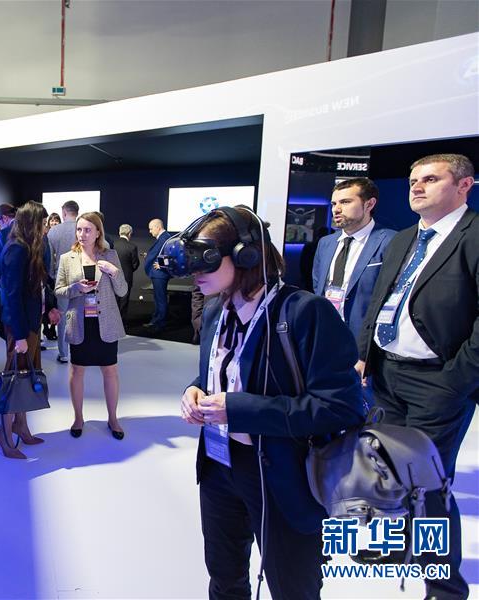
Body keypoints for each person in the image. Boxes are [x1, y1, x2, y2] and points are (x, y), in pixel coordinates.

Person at [179, 206, 364, 600]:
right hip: (218, 465)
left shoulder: (304, 312)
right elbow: (222, 373)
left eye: (205, 259)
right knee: (224, 578)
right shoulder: (214, 310)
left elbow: (342, 406)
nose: (194, 271)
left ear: (245, 255)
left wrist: (239, 409)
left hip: (283, 474)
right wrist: (195, 390)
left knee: (292, 586)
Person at [357, 153, 478, 600]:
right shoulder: (405, 237)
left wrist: (454, 381)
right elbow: (380, 300)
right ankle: (395, 547)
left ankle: (444, 587)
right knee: (388, 473)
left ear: (464, 186)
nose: (417, 187)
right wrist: (365, 355)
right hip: (387, 375)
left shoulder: (474, 236)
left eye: (430, 179)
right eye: (413, 180)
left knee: (428, 485)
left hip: (437, 381)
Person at [55, 212, 128, 439]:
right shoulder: (67, 258)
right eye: (79, 229)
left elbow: (122, 290)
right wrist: (76, 288)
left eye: (87, 230)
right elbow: (58, 290)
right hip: (79, 323)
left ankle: (113, 418)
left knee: (110, 370)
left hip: (106, 323)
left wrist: (114, 272)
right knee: (77, 370)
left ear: (98, 232)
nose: (82, 234)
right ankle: (78, 417)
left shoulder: (110, 255)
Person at [0, 201, 61, 459]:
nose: (46, 228)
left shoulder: (31, 247)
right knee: (13, 379)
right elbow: (12, 296)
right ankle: (4, 433)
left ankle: (21, 426)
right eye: (43, 223)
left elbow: (39, 287)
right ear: (31, 223)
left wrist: (49, 309)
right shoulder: (16, 249)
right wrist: (21, 336)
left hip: (31, 324)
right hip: (20, 327)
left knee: (23, 377)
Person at [313, 178, 394, 342]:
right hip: (326, 331)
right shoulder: (325, 243)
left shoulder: (390, 241)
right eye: (334, 204)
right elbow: (318, 285)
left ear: (369, 204)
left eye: (345, 202)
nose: (336, 209)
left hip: (365, 337)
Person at [47, 200, 80, 363]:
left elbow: (49, 258)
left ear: (64, 212)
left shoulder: (54, 231)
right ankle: (79, 351)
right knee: (79, 316)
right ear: (77, 212)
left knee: (62, 316)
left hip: (61, 279)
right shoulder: (83, 229)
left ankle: (64, 353)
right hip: (81, 278)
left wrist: (52, 276)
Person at [144, 218, 172, 332]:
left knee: (160, 299)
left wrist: (162, 265)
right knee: (158, 298)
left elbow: (171, 254)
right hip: (158, 274)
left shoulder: (165, 238)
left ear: (158, 227)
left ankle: (160, 323)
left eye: (151, 229)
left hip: (160, 274)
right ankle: (156, 320)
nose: (150, 231)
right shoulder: (164, 237)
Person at [113, 224, 140, 319]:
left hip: (113, 277)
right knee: (124, 301)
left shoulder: (112, 245)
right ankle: (122, 323)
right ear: (129, 233)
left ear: (119, 232)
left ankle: (113, 321)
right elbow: (135, 264)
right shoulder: (132, 247)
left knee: (114, 300)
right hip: (126, 278)